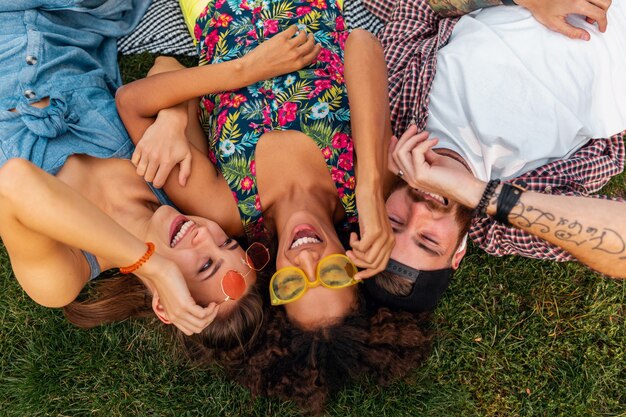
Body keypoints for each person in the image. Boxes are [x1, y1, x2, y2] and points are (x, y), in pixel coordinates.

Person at [115, 0, 431, 411]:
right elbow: (362, 43)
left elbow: (131, 102)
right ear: (355, 267)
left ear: (272, 288)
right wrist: (371, 188)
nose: (308, 259)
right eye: (333, 275)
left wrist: (230, 81)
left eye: (293, 284)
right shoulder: (362, 190)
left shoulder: (224, 208)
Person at [0, 0, 319, 345]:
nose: (205, 235)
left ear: (165, 304)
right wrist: (172, 119)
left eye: (204, 265)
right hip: (73, 17)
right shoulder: (172, 185)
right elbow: (166, 65)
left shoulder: (63, 277)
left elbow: (15, 181)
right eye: (227, 242)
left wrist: (152, 264)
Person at [360, 0, 626, 311]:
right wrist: (477, 192)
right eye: (429, 241)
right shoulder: (503, 225)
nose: (419, 211)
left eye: (394, 221)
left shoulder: (397, 118)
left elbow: (414, 6)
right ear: (457, 253)